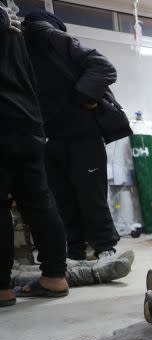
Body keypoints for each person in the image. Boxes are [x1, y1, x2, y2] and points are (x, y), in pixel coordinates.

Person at [21, 9, 121, 261]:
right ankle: (75, 252)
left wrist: (84, 96)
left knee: (91, 195)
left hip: (82, 133)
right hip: (50, 136)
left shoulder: (50, 38)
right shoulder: (20, 50)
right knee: (61, 198)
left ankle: (105, 248)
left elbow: (104, 68)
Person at [0, 1, 69, 306]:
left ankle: (2, 288)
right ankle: (55, 276)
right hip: (27, 120)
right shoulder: (14, 27)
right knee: (39, 200)